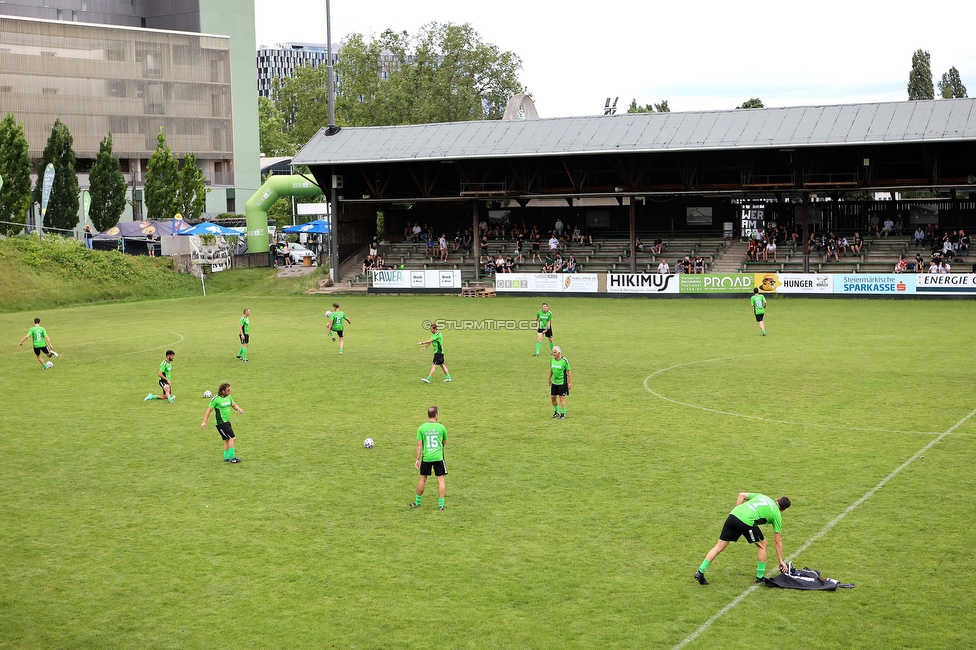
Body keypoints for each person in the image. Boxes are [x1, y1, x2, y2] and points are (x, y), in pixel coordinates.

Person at [694, 492, 791, 585]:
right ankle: (759, 577)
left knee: (719, 546)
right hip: (747, 522)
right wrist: (780, 560)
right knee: (763, 545)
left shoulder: (763, 496)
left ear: (776, 499)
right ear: (783, 510)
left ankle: (700, 571)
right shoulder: (777, 515)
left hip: (734, 515)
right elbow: (778, 540)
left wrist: (738, 511)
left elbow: (741, 495)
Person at [410, 405, 448, 510]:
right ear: (436, 415)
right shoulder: (441, 427)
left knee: (422, 479)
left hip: (426, 457)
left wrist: (417, 459)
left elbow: (419, 445)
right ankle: (441, 505)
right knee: (440, 480)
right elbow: (444, 442)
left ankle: (417, 503)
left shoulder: (421, 428)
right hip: (439, 457)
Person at [200, 382, 244, 463]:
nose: (229, 392)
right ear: (222, 391)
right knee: (232, 438)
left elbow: (234, 405)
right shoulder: (215, 400)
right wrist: (204, 422)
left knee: (227, 439)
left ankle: (226, 458)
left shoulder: (229, 397)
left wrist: (239, 409)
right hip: (221, 423)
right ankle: (232, 458)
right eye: (228, 390)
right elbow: (208, 410)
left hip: (227, 422)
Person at [549, 345, 572, 419]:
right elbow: (551, 369)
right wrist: (549, 378)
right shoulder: (552, 360)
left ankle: (563, 413)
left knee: (562, 398)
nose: (553, 354)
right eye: (552, 352)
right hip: (554, 382)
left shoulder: (564, 361)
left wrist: (569, 382)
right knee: (553, 398)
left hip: (562, 382)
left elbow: (569, 371)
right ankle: (556, 412)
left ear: (559, 353)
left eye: (554, 352)